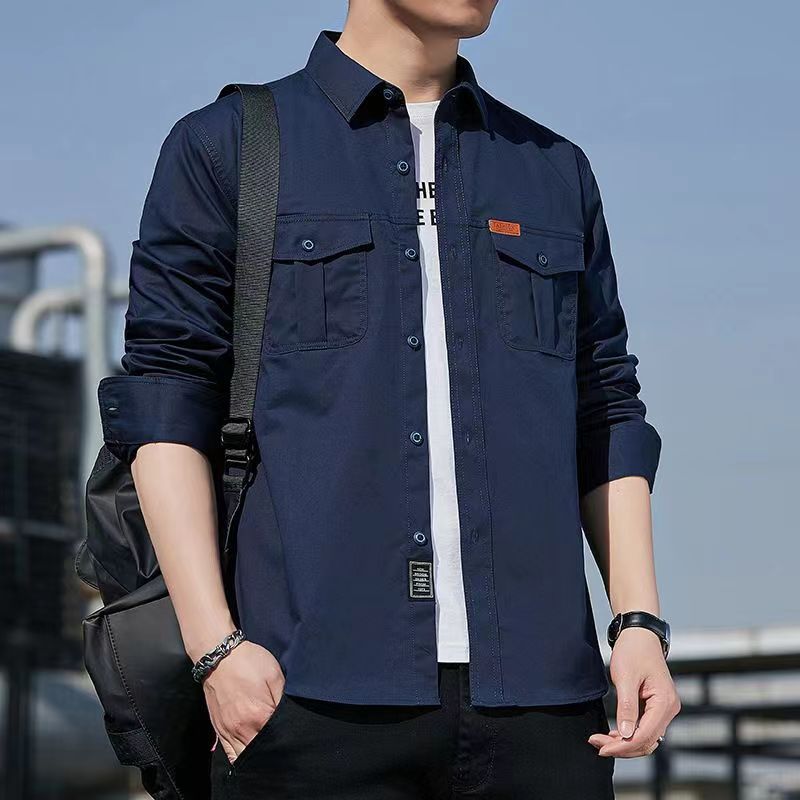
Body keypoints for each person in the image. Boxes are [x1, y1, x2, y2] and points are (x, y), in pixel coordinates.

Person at [100, 1, 681, 797]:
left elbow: (606, 406)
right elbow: (167, 402)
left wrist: (638, 622)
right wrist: (215, 649)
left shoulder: (552, 169)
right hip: (303, 695)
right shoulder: (227, 146)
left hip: (545, 705)